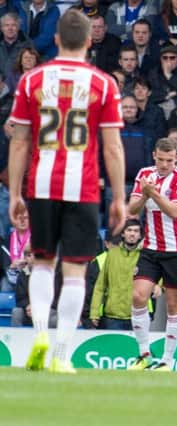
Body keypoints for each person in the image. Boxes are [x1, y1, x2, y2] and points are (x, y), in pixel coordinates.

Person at [8, 9, 126, 373]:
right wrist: (120, 197)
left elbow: (19, 141)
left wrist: (15, 194)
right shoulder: (104, 84)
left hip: (42, 182)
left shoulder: (32, 80)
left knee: (42, 263)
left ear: (56, 39)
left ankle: (41, 333)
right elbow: (112, 146)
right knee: (75, 270)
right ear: (90, 41)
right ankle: (61, 353)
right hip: (84, 185)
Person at [127, 137, 177, 372]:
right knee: (138, 296)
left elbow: (176, 211)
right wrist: (145, 194)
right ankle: (144, 353)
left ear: (176, 158)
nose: (165, 165)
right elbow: (132, 210)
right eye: (161, 159)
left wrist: (152, 194)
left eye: (170, 160)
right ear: (154, 155)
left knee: (174, 305)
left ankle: (167, 360)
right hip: (151, 248)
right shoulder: (145, 174)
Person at [89, 219, 144, 330]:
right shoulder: (112, 254)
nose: (132, 234)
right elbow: (100, 286)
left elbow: (158, 278)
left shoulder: (145, 256)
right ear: (123, 233)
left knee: (135, 348)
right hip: (112, 317)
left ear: (140, 235)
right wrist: (94, 312)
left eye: (136, 231)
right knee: (113, 347)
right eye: (129, 230)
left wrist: (159, 287)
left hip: (138, 316)